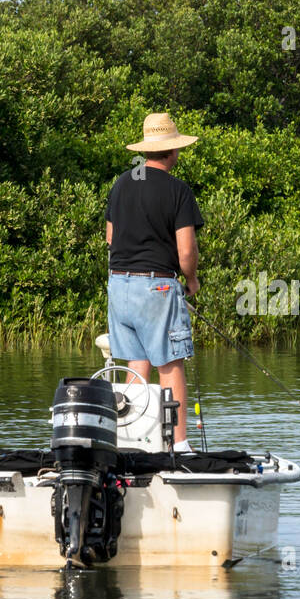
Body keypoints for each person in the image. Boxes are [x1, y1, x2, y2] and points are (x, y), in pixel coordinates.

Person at [105, 112, 203, 452]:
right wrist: (191, 280)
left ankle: (133, 442)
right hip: (157, 286)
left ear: (147, 150)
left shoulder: (121, 183)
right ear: (173, 151)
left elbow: (110, 237)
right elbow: (186, 250)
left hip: (118, 285)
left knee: (136, 364)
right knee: (171, 363)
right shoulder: (178, 190)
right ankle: (178, 445)